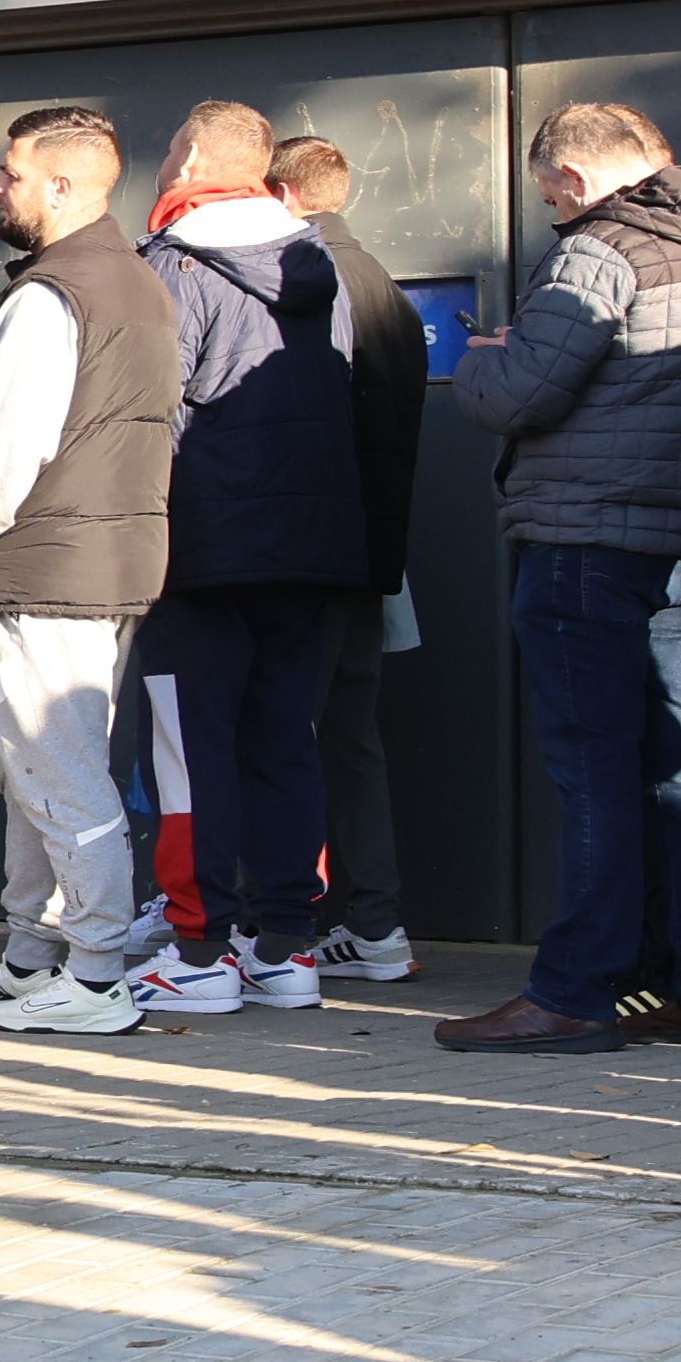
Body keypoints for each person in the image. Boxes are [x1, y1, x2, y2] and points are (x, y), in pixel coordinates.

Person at [440, 104, 681, 1054]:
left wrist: (483, 361)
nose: (554, 209)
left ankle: (576, 993)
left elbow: (520, 394)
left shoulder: (603, 248)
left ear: (576, 178)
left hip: (587, 540)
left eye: (552, 194)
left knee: (594, 768)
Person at [114, 103, 366, 1013]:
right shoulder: (319, 266)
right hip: (314, 546)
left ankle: (199, 949)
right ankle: (286, 946)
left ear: (186, 157)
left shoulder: (172, 267)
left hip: (204, 548)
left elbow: (155, 415)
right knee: (285, 743)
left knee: (192, 753)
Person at [0, 106, 179, 1039]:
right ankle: (32, 958)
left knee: (59, 773)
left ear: (64, 186)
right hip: (101, 561)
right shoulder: (138, 284)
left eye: (11, 172)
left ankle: (95, 972)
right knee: (41, 768)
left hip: (41, 563)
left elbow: (0, 461)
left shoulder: (53, 296)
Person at [268, 135, 429, 982]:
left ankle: (276, 932)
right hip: (374, 551)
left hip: (310, 552)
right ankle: (374, 924)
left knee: (282, 731)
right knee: (351, 740)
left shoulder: (301, 278)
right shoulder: (388, 291)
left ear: (283, 193)